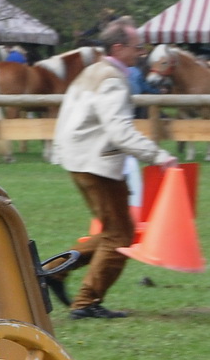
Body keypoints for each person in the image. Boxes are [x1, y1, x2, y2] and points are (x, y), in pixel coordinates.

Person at [53, 19, 177, 319]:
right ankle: (85, 304)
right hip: (98, 163)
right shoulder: (112, 80)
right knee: (121, 237)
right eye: (137, 47)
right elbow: (120, 131)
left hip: (79, 160)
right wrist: (158, 155)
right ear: (118, 47)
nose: (141, 53)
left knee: (113, 232)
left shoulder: (92, 71)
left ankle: (51, 272)